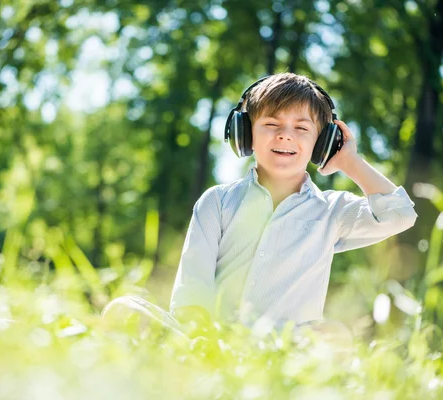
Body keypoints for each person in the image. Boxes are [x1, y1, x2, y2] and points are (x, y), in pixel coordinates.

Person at [102, 72, 417, 347]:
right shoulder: (217, 202)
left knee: (334, 337)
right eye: (271, 123)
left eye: (302, 128)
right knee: (124, 309)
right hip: (209, 343)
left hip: (284, 352)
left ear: (323, 143)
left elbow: (399, 215)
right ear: (245, 133)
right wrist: (201, 341)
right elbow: (192, 290)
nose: (285, 134)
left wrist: (350, 161)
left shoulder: (332, 211)